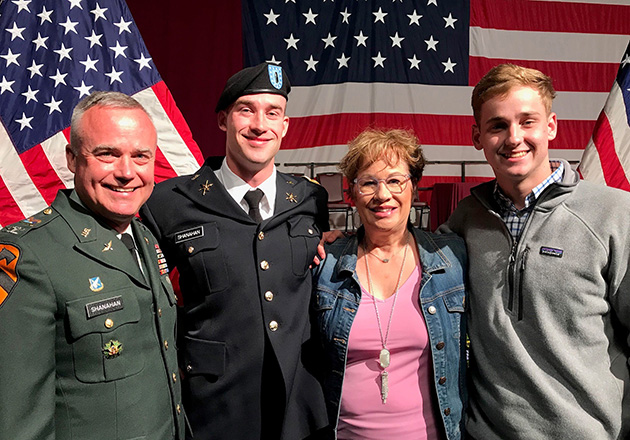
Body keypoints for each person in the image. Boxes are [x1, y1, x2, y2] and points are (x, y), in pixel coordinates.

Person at [139, 62, 330, 440]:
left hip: (300, 408)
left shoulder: (310, 198)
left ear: (284, 126)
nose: (260, 124)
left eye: (272, 113)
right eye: (247, 110)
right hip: (214, 408)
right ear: (223, 120)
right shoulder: (168, 203)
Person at [442, 63, 630, 439]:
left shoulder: (615, 213)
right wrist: (346, 244)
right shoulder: (467, 217)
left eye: (527, 122)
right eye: (498, 126)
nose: (514, 138)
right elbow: (410, 258)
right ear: (477, 136)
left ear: (551, 126)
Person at [0, 92, 185, 439]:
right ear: (72, 158)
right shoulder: (27, 255)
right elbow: (17, 420)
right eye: (107, 154)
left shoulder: (143, 236)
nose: (127, 172)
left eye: (141, 156)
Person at [312, 128, 467, 440]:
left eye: (395, 180)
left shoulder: (453, 259)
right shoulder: (325, 266)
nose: (383, 195)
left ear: (414, 189)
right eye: (369, 182)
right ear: (351, 193)